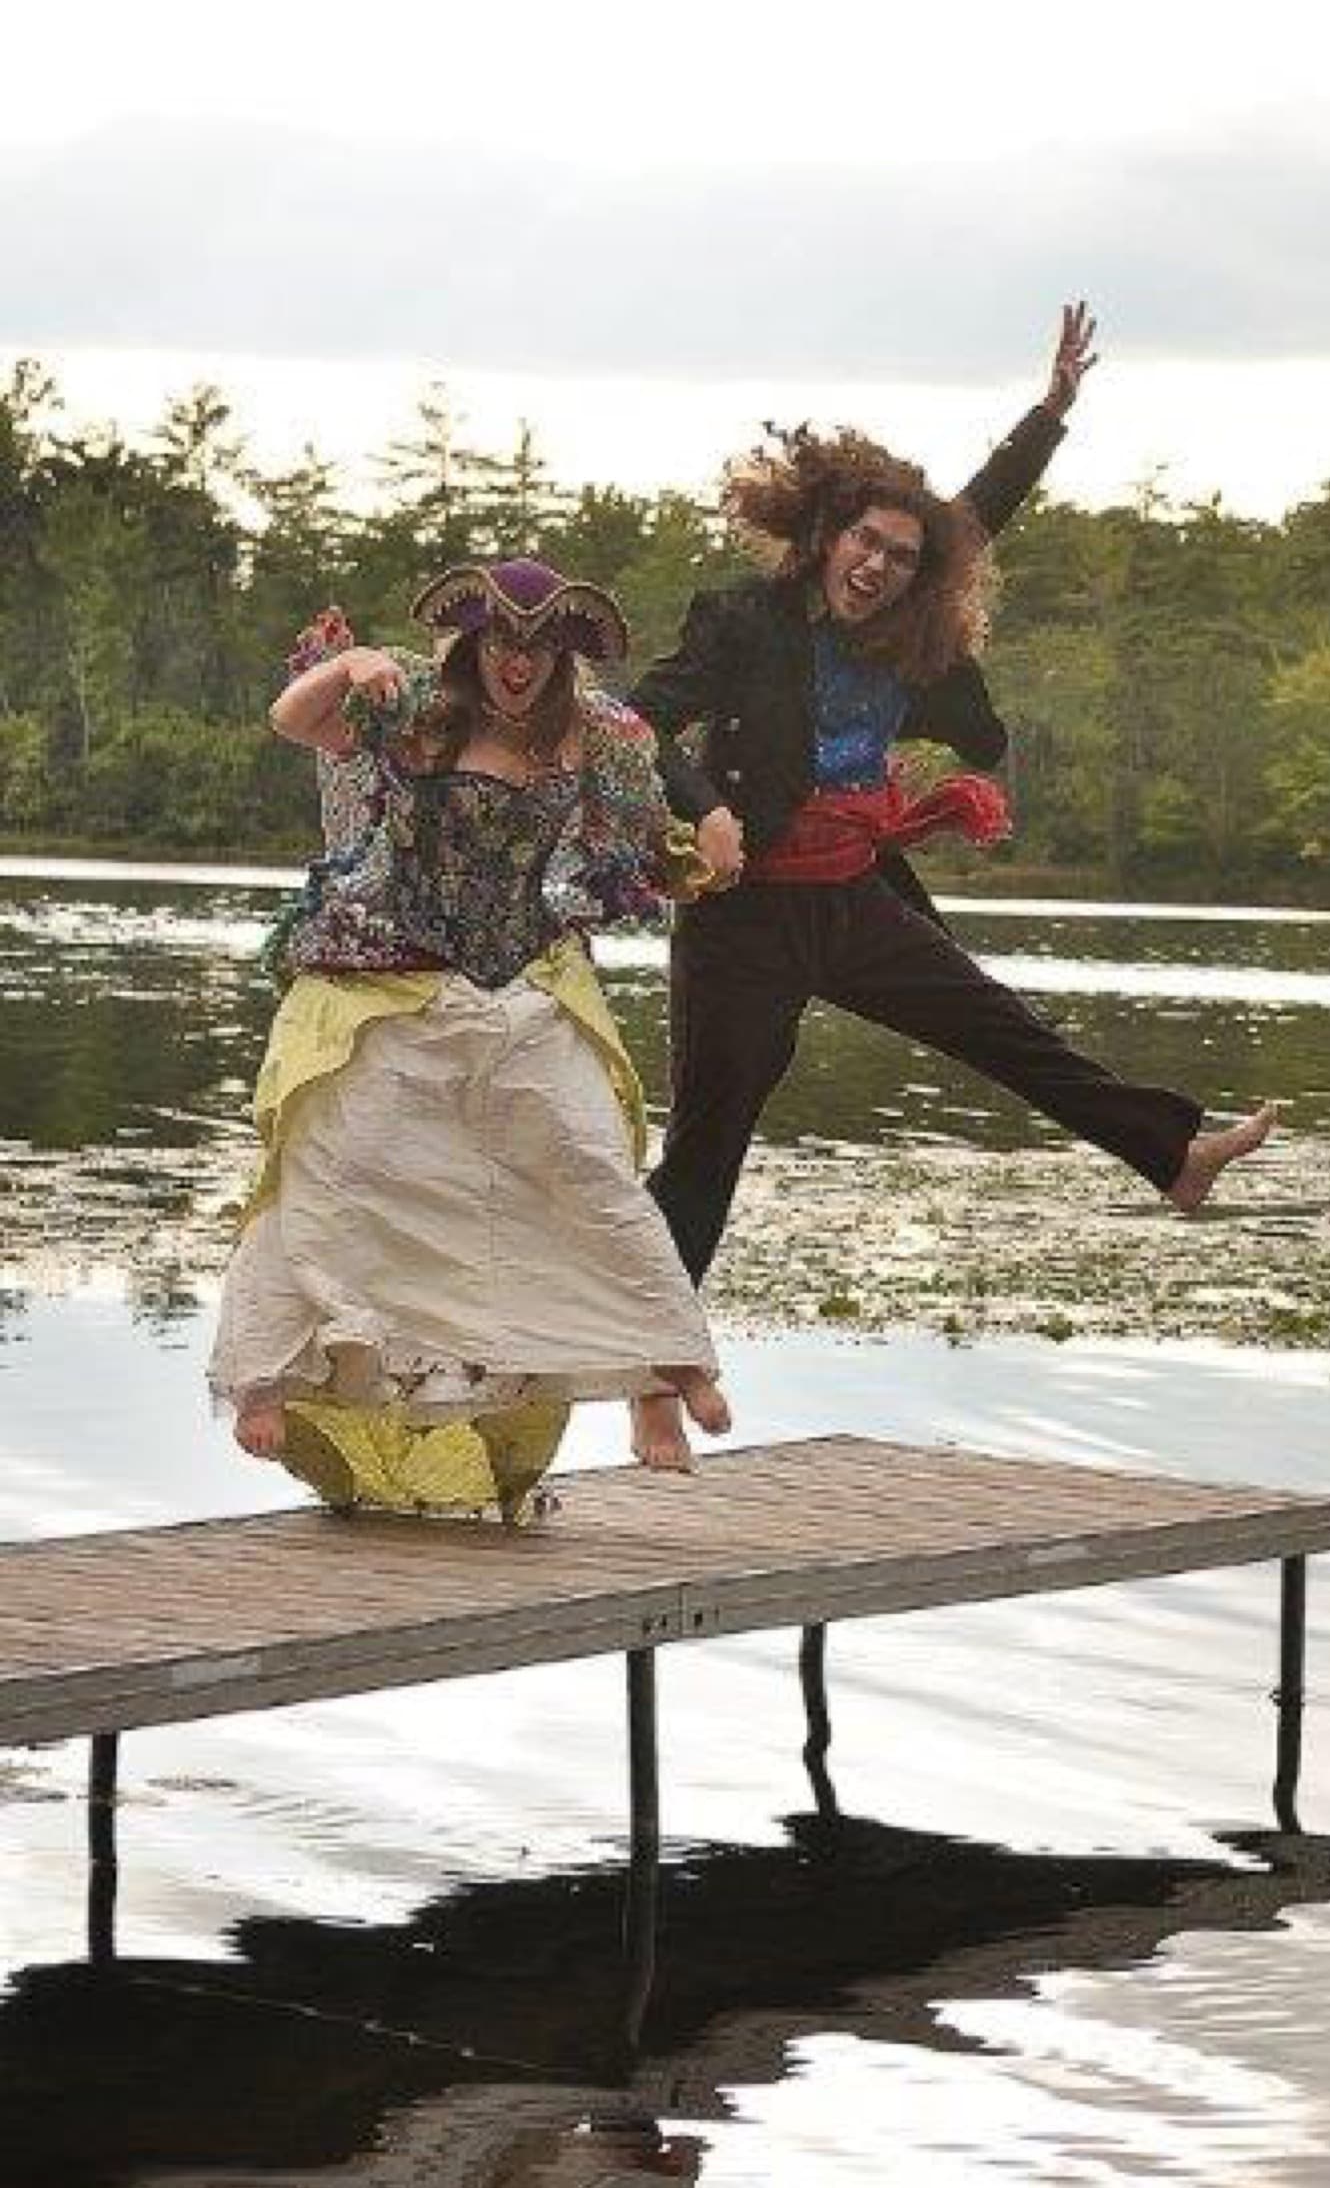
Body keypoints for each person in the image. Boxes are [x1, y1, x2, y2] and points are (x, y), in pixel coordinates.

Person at [630, 310, 1275, 1283]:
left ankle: (1173, 1156)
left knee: (1001, 1028)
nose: (877, 565)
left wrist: (1049, 412)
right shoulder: (743, 620)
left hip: (853, 897)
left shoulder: (908, 631)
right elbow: (634, 720)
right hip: (746, 913)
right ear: (824, 537)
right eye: (863, 541)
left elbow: (983, 511)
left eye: (899, 555)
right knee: (707, 1150)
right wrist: (702, 809)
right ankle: (643, 1346)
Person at [207, 556, 730, 1519]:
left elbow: (646, 849)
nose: (519, 663)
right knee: (335, 1152)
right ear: (474, 645)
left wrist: (703, 855)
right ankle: (266, 1369)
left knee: (586, 1161)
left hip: (523, 978)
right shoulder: (414, 703)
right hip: (397, 969)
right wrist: (349, 663)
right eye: (502, 643)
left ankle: (665, 1372)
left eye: (538, 646)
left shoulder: (600, 736)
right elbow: (295, 720)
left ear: (563, 654)